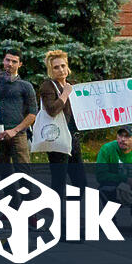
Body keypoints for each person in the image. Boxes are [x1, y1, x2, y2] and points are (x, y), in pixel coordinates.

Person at [40, 50, 87, 194]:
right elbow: (52, 110)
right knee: (59, 179)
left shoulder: (72, 85)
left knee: (79, 179)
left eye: (63, 66)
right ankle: (57, 210)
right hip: (57, 137)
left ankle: (76, 208)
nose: (61, 70)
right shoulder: (48, 86)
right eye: (56, 67)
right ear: (50, 70)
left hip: (73, 136)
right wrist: (65, 93)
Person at [0, 48, 37, 177]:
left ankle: (28, 197)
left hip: (18, 134)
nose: (10, 64)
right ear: (3, 61)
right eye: (7, 60)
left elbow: (32, 114)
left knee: (24, 172)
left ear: (20, 64)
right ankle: (12, 197)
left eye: (14, 61)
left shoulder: (26, 86)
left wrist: (14, 130)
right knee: (4, 173)